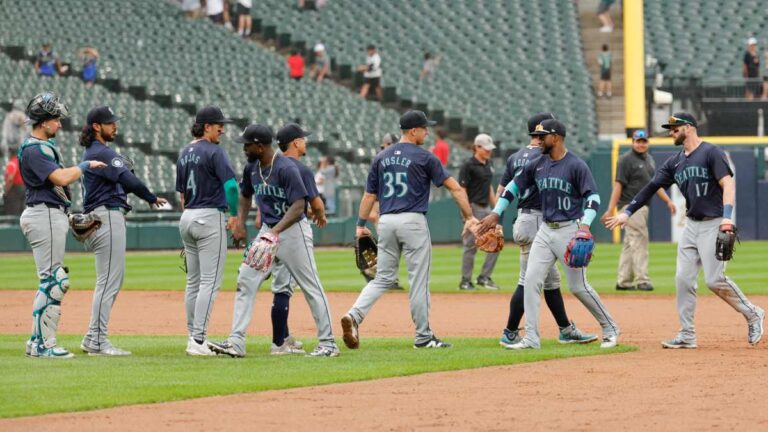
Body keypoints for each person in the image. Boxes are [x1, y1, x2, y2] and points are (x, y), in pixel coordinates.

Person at [605, 113, 765, 348]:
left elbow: (728, 183)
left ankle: (753, 313)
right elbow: (651, 187)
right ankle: (687, 334)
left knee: (714, 280)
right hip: (691, 225)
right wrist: (626, 212)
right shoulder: (675, 162)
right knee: (683, 279)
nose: (671, 132)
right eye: (670, 129)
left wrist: (727, 219)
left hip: (714, 223)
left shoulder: (711, 152)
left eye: (674, 127)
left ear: (688, 128)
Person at [478, 119, 620, 350]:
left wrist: (585, 225)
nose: (538, 140)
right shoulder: (537, 162)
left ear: (556, 137)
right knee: (532, 281)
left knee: (578, 287)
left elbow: (593, 197)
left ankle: (610, 328)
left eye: (542, 136)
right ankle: (532, 338)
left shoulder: (576, 165)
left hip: (569, 230)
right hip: (545, 230)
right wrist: (496, 213)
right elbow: (513, 187)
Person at [340, 110, 477, 350]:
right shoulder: (425, 157)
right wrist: (469, 217)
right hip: (412, 221)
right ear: (413, 131)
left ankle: (354, 315)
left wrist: (360, 226)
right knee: (418, 281)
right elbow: (455, 189)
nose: (427, 132)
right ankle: (423, 337)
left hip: (386, 222)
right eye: (425, 128)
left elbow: (369, 195)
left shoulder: (381, 157)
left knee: (382, 278)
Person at [208, 123, 340, 357]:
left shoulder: (287, 168)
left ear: (259, 146)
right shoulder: (252, 167)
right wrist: (239, 222)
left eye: (247, 145)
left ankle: (328, 343)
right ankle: (236, 342)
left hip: (293, 231)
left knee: (311, 286)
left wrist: (275, 232)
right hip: (269, 231)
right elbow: (246, 196)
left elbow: (300, 204)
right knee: (246, 280)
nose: (244, 149)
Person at [495, 113, 597, 348]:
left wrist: (497, 213)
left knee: (548, 281)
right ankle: (511, 331)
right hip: (543, 221)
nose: (543, 138)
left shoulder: (515, 157)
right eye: (542, 133)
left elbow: (503, 188)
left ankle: (565, 329)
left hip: (523, 218)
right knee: (529, 280)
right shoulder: (545, 157)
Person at [19, 92, 107, 358]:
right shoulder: (35, 148)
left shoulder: (36, 146)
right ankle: (44, 344)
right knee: (54, 281)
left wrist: (65, 215)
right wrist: (85, 165)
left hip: (48, 213)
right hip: (43, 214)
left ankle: (36, 341)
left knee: (51, 280)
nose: (59, 123)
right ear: (43, 121)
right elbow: (59, 178)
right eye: (55, 118)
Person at [78, 106, 168, 356]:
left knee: (109, 281)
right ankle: (96, 340)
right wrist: (150, 197)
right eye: (110, 122)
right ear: (97, 126)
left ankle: (93, 337)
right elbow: (130, 181)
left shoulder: (94, 151)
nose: (115, 126)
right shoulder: (102, 152)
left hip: (102, 215)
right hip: (106, 215)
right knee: (108, 281)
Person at [176, 106, 240, 356]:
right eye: (217, 124)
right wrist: (234, 215)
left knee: (193, 281)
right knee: (209, 283)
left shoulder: (184, 152)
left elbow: (182, 194)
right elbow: (232, 187)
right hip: (209, 216)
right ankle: (199, 340)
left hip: (188, 215)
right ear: (206, 127)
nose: (222, 128)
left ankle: (192, 335)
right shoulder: (214, 151)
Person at [600, 129, 676, 291]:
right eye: (638, 141)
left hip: (642, 207)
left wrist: (668, 201)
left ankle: (623, 281)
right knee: (640, 240)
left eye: (644, 141)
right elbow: (618, 185)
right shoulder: (625, 160)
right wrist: (610, 209)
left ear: (647, 142)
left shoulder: (649, 160)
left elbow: (654, 185)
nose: (641, 144)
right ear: (633, 142)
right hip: (629, 206)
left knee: (630, 243)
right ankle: (642, 280)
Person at [458, 133, 500, 291]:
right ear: (477, 147)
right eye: (486, 149)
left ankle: (484, 277)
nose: (489, 151)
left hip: (487, 210)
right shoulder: (468, 165)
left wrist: (497, 208)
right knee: (470, 246)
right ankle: (465, 280)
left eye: (490, 149)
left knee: (495, 244)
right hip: (473, 208)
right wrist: (466, 215)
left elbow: (489, 187)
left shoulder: (488, 163)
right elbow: (462, 190)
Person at [3, 144, 25, 215]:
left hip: (15, 189)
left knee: (13, 211)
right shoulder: (20, 162)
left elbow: (10, 179)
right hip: (23, 187)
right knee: (21, 210)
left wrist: (6, 190)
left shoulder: (12, 163)